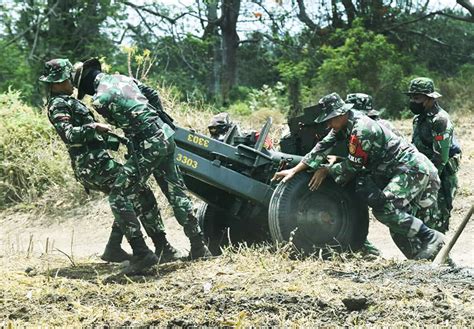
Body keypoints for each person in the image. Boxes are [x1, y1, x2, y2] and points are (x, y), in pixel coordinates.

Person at [71, 58, 211, 274]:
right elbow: (152, 94)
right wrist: (163, 119)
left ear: (86, 84)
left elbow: (126, 125)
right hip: (165, 136)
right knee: (175, 191)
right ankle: (198, 246)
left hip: (146, 145)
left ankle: (142, 254)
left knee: (119, 195)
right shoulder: (123, 78)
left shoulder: (100, 100)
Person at [38, 58, 180, 265]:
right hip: (90, 166)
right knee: (138, 192)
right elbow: (69, 134)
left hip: (98, 162)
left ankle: (115, 248)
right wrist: (93, 127)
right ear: (58, 81)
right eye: (69, 78)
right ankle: (146, 251)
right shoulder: (58, 104)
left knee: (128, 193)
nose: (72, 82)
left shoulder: (67, 101)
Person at [273, 92, 445, 260]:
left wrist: (327, 170)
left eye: (330, 119)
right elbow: (321, 147)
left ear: (341, 114)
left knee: (384, 210)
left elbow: (353, 166)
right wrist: (295, 170)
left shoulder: (361, 129)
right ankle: (434, 262)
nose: (328, 125)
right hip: (399, 171)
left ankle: (430, 236)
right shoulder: (343, 124)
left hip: (412, 169)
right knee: (399, 226)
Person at [405, 77, 461, 233]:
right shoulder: (418, 119)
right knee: (421, 215)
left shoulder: (440, 120)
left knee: (438, 216)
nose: (412, 101)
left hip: (442, 175)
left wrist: (427, 181)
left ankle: (442, 254)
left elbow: (440, 158)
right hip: (425, 172)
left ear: (429, 98)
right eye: (411, 97)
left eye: (417, 97)